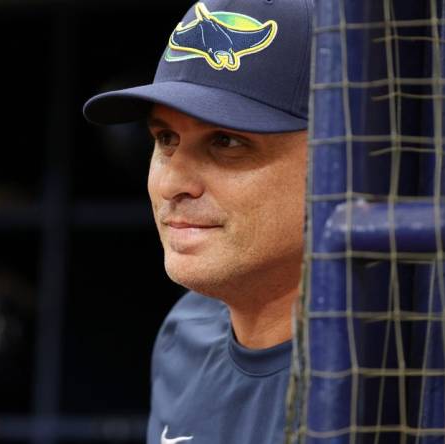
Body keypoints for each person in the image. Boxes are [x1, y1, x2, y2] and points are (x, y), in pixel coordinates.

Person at [83, 0, 312, 442]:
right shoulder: (185, 333)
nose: (172, 184)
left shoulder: (405, 366)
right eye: (165, 138)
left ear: (339, 159)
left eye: (226, 141)